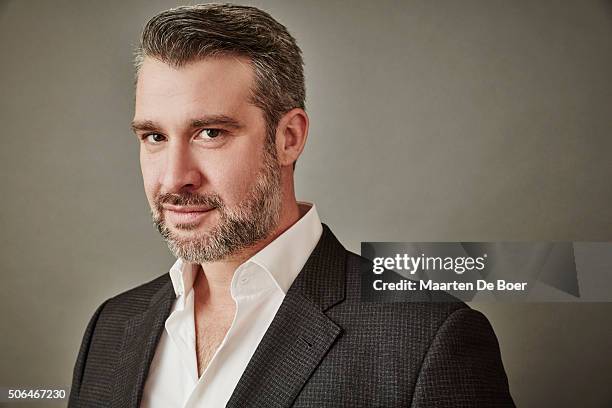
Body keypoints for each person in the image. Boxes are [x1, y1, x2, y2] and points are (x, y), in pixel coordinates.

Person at [68, 4, 514, 407]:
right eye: (155, 137)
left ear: (289, 137)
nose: (174, 176)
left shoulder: (426, 340)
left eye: (211, 133)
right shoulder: (112, 326)